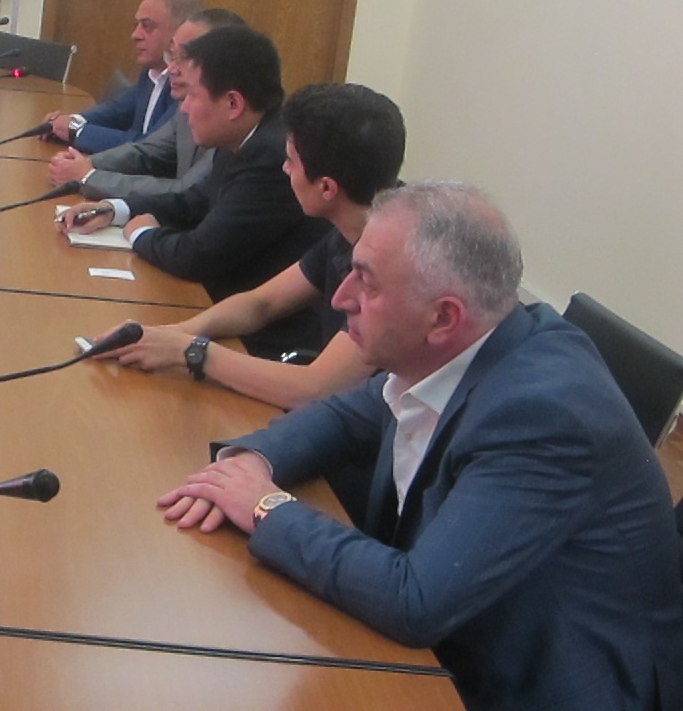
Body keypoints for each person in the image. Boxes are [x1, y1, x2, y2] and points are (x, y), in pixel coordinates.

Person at [157, 183, 683, 710]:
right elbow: (346, 416)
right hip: (468, 622)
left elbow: (415, 602)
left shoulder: (541, 416)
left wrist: (265, 505)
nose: (340, 298)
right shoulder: (466, 345)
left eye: (367, 282)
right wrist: (248, 463)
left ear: (443, 318)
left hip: (536, 683)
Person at [97, 82, 406, 402]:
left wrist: (188, 351)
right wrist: (176, 332)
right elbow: (261, 304)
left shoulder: (397, 262)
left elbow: (314, 387)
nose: (284, 169)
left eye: (291, 161)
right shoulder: (354, 224)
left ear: (327, 188)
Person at [61, 26, 327, 319]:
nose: (184, 109)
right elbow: (192, 202)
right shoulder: (243, 138)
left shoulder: (270, 156)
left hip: (259, 330)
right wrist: (115, 209)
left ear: (233, 104)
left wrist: (141, 234)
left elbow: (198, 256)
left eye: (192, 95)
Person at [47, 7, 244, 198]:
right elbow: (147, 152)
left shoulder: (235, 124)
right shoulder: (183, 104)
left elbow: (186, 192)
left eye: (184, 58)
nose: (171, 68)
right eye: (172, 55)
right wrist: (87, 164)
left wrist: (88, 177)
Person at [44, 0, 197, 153]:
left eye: (147, 26)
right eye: (136, 25)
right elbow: (117, 111)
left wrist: (76, 131)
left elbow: (149, 146)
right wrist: (71, 121)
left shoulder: (184, 86)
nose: (135, 35)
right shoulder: (151, 73)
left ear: (179, 32)